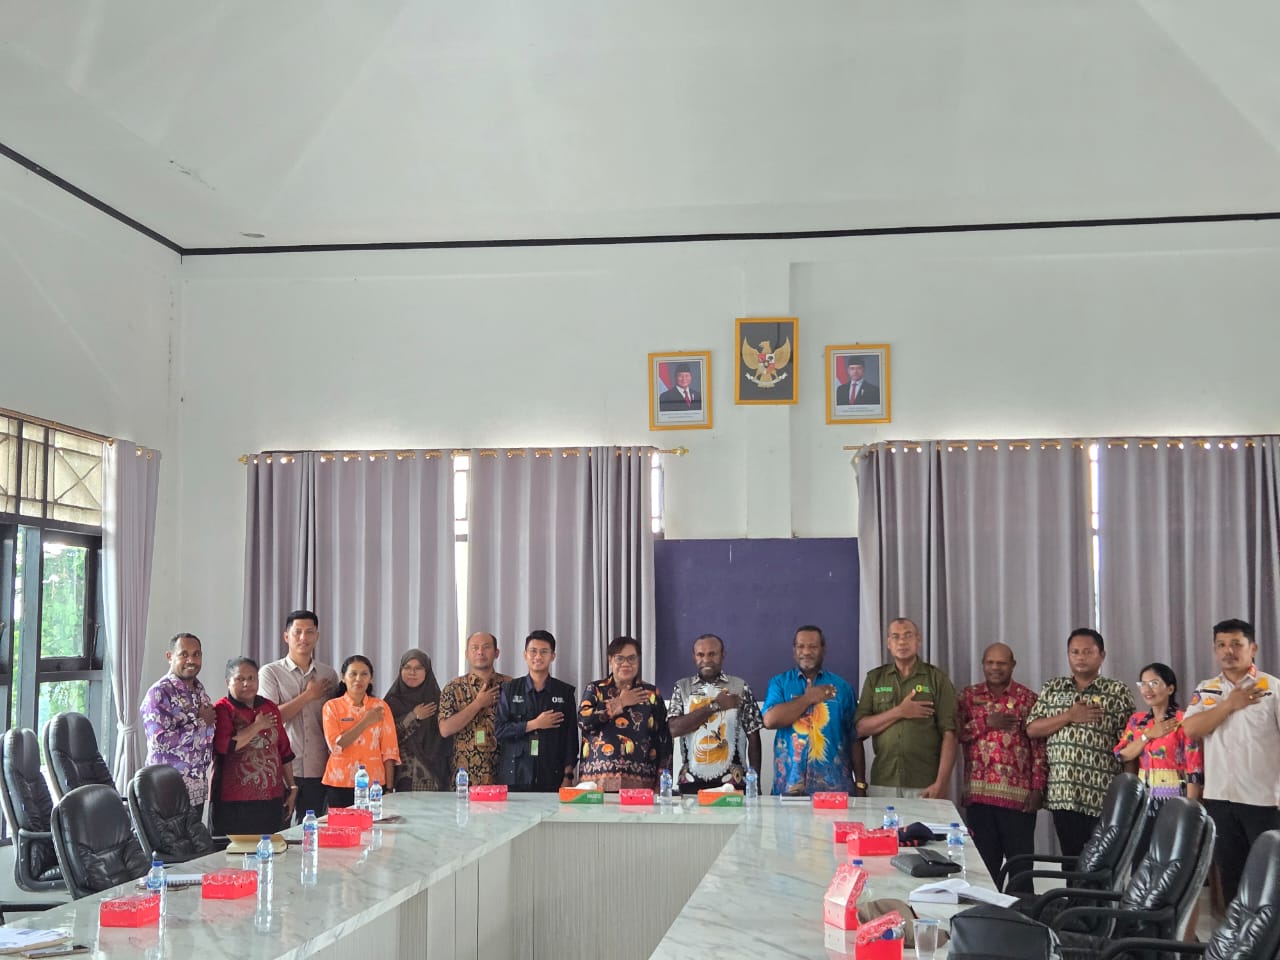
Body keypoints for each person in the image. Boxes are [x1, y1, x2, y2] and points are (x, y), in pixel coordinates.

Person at [1181, 618, 1280, 905]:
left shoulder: (1272, 688)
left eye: (1237, 644)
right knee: (1230, 877)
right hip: (1220, 799)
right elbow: (1191, 729)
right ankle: (1236, 932)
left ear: (1253, 648)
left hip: (1264, 801)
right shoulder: (1207, 689)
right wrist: (1229, 705)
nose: (1229, 651)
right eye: (1221, 645)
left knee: (1269, 878)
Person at [1026, 628, 1135, 858]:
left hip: (1104, 794)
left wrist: (1129, 793)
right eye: (1074, 652)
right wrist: (1069, 716)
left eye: (1088, 652)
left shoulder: (1117, 691)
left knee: (1101, 863)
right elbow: (1032, 728)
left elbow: (1129, 745)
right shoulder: (1053, 688)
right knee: (1071, 861)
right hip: (1063, 793)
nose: (1080, 657)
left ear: (1102, 655)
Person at [957, 642, 1046, 894]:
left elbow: (1039, 747)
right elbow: (957, 734)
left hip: (1019, 799)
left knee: (1021, 867)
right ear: (983, 664)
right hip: (979, 796)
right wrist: (987, 722)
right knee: (984, 868)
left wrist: (1038, 788)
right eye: (990, 662)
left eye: (1001, 663)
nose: (995, 667)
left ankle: (1022, 915)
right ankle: (986, 914)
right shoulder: (967, 697)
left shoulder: (1029, 699)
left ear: (1013, 665)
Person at [855, 618, 957, 798]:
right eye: (896, 637)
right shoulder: (875, 678)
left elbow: (950, 734)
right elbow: (860, 728)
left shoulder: (937, 679)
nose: (902, 641)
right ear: (888, 643)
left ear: (918, 640)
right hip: (884, 781)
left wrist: (941, 783)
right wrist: (900, 711)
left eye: (908, 635)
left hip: (925, 782)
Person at [1114, 663, 1203, 865]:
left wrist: (1189, 809)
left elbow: (1194, 768)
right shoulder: (1137, 721)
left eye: (1154, 683)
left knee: (1171, 859)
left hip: (1175, 797)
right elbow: (1122, 754)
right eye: (1143, 684)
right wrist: (1148, 735)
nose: (1147, 689)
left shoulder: (1183, 720)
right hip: (1143, 799)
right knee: (1140, 860)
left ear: (1170, 688)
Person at [762, 625, 863, 796]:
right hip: (789, 788)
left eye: (813, 646)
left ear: (823, 649)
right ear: (794, 651)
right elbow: (770, 720)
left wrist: (860, 784)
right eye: (801, 646)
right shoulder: (780, 683)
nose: (806, 652)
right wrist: (808, 698)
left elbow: (855, 738)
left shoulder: (842, 687)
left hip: (835, 789)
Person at [258, 609, 339, 821]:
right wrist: (309, 695)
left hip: (318, 766)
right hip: (282, 766)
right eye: (297, 632)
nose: (303, 637)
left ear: (317, 636)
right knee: (277, 829)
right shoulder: (270, 672)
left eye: (309, 632)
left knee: (312, 828)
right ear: (286, 636)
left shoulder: (328, 674)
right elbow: (269, 720)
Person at [667, 633, 763, 794]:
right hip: (691, 783)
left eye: (712, 654)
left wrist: (756, 785)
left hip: (734, 784)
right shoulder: (682, 687)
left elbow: (754, 737)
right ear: (694, 657)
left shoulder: (740, 687)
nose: (706, 660)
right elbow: (673, 729)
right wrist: (715, 706)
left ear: (723, 654)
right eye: (700, 654)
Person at [211, 657, 297, 835]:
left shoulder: (269, 707)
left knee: (271, 848)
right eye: (240, 679)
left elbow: (284, 751)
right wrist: (257, 726)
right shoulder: (222, 708)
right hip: (233, 802)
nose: (247, 683)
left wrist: (292, 787)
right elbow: (226, 746)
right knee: (232, 851)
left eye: (251, 678)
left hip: (272, 798)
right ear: (228, 682)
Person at [578, 637, 671, 791]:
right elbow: (584, 721)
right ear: (610, 660)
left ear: (638, 660)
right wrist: (619, 703)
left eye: (631, 658)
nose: (626, 664)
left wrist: (662, 781)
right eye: (620, 658)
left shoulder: (650, 693)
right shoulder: (595, 689)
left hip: (642, 781)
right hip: (597, 781)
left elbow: (664, 738)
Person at [495, 630, 578, 791]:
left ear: (553, 656)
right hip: (515, 775)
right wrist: (534, 724)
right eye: (533, 651)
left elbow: (571, 738)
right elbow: (499, 730)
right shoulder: (510, 689)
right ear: (525, 655)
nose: (538, 657)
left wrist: (568, 776)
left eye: (544, 652)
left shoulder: (564, 692)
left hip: (552, 774)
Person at [140, 632, 217, 807]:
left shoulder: (199, 690)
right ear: (170, 657)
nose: (191, 660)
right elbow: (159, 740)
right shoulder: (159, 693)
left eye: (196, 654)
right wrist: (200, 723)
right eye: (184, 654)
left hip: (196, 788)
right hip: (166, 789)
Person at [321, 655, 400, 808]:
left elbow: (389, 751)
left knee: (373, 823)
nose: (358, 679)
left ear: (371, 678)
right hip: (340, 781)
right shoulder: (331, 707)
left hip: (374, 783)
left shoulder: (381, 707)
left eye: (364, 674)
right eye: (353, 674)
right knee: (343, 823)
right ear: (343, 678)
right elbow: (336, 746)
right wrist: (365, 722)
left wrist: (389, 788)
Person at [438, 632, 510, 786]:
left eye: (486, 647)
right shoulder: (453, 687)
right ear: (466, 654)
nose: (480, 652)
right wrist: (478, 704)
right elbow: (445, 729)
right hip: (465, 775)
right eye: (475, 648)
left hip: (505, 773)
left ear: (497, 653)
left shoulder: (510, 686)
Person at [383, 649, 449, 792]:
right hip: (402, 775)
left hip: (433, 774)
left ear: (427, 671)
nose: (412, 672)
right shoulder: (391, 702)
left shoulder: (438, 701)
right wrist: (413, 716)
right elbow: (386, 738)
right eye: (407, 667)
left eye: (418, 668)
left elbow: (446, 740)